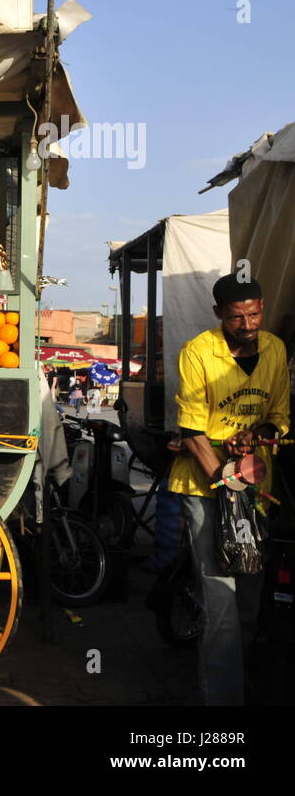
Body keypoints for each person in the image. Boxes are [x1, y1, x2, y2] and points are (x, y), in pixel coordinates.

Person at [170, 274, 289, 705]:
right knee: (220, 601)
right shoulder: (199, 352)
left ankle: (247, 688)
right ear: (219, 313)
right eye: (237, 316)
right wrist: (225, 480)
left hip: (256, 488)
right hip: (206, 488)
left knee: (250, 600)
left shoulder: (275, 348)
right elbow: (191, 430)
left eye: (254, 313)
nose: (248, 323)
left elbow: (279, 414)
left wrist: (257, 434)